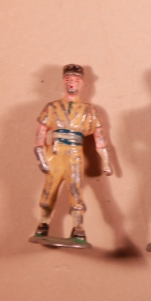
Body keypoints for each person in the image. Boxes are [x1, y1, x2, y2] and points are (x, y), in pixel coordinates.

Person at [32, 64, 111, 242]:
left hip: (75, 155)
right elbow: (40, 135)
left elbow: (100, 140)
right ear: (63, 82)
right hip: (55, 154)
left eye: (76, 80)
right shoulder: (52, 107)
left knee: (75, 190)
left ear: (82, 83)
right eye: (68, 80)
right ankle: (43, 224)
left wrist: (106, 162)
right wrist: (42, 158)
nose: (72, 84)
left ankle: (78, 228)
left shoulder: (90, 111)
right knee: (49, 191)